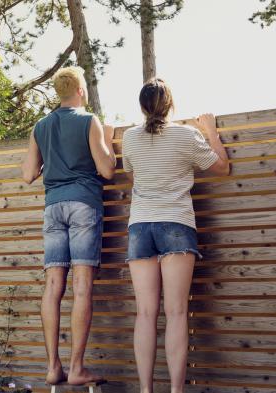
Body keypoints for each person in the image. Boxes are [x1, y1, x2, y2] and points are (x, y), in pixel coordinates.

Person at [121, 78, 230, 393]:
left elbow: (132, 174)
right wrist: (210, 130)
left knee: (144, 313)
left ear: (143, 107)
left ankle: (145, 390)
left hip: (140, 227)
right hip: (176, 224)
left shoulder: (129, 138)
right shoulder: (187, 135)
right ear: (171, 105)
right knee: (177, 312)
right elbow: (221, 168)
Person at [21, 66, 116, 386]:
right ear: (80, 91)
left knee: (52, 287)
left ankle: (52, 367)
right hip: (83, 205)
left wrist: (54, 152)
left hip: (53, 208)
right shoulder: (89, 120)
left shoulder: (40, 125)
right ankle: (76, 368)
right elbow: (107, 170)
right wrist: (107, 140)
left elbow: (27, 174)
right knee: (82, 286)